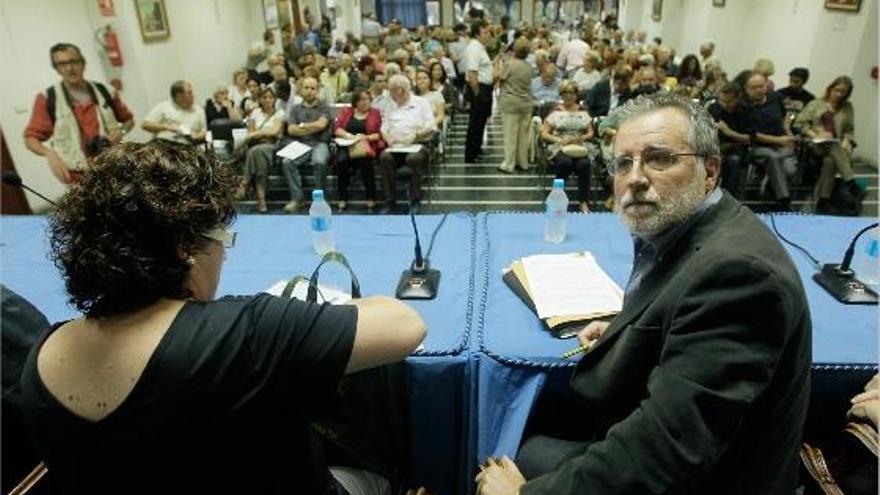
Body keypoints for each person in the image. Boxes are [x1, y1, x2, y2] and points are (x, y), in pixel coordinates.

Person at [17, 141, 426, 494]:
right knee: (379, 471)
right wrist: (297, 318)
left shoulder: (41, 359)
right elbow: (405, 325)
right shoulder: (246, 331)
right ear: (184, 248)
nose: (224, 254)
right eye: (220, 239)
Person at [476, 93, 811, 495]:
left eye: (659, 158)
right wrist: (625, 328)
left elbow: (669, 447)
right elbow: (677, 308)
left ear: (710, 171)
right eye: (623, 163)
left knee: (517, 450)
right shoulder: (688, 226)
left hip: (708, 480)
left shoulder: (739, 276)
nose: (634, 177)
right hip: (667, 437)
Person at [24, 43, 135, 184]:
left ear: (83, 63)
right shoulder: (47, 98)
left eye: (73, 62)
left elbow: (129, 120)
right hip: (78, 177)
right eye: (62, 64)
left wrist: (121, 131)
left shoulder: (105, 91)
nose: (69, 69)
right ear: (56, 69)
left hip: (114, 167)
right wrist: (49, 153)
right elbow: (30, 139)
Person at [795, 76, 862, 214]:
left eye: (843, 92)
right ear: (830, 88)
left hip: (835, 146)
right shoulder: (816, 104)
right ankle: (851, 181)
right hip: (815, 144)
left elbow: (849, 130)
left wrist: (846, 140)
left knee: (830, 161)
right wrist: (816, 135)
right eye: (837, 90)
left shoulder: (847, 108)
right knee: (832, 147)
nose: (838, 94)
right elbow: (799, 124)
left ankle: (823, 201)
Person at [378, 75, 436, 214]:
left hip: (418, 144)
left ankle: (415, 199)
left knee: (413, 159)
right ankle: (390, 200)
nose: (389, 94)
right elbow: (384, 126)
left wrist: (416, 135)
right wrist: (387, 136)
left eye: (391, 91)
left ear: (401, 90)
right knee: (384, 157)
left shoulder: (421, 103)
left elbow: (431, 126)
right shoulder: (390, 105)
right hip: (396, 146)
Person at [742, 72, 798, 211]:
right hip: (757, 146)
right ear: (747, 89)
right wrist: (781, 140)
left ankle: (769, 188)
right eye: (754, 87)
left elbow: (786, 116)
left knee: (790, 169)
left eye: (761, 86)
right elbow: (753, 135)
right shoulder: (744, 106)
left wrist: (787, 131)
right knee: (773, 157)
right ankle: (784, 200)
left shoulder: (775, 98)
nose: (758, 90)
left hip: (781, 143)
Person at [540, 81, 595, 213]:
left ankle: (583, 202)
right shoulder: (555, 112)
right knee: (565, 162)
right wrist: (559, 140)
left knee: (584, 164)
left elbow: (591, 132)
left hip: (579, 145)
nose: (569, 96)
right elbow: (544, 133)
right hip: (559, 145)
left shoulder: (583, 111)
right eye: (566, 93)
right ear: (561, 95)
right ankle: (557, 197)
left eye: (572, 93)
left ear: (576, 95)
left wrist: (581, 138)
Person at [280, 76, 332, 213]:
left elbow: (322, 125)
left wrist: (301, 126)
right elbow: (291, 129)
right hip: (300, 143)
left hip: (320, 142)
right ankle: (297, 199)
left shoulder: (324, 107)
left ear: (318, 90)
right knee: (287, 161)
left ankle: (319, 200)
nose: (309, 91)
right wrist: (311, 127)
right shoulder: (295, 109)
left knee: (320, 161)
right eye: (306, 88)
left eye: (313, 88)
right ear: (301, 89)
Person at [333, 89, 385, 213]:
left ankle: (371, 197)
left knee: (366, 161)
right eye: (361, 99)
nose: (364, 102)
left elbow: (379, 134)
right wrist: (348, 136)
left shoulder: (375, 113)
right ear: (355, 102)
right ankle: (342, 197)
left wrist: (365, 137)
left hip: (367, 145)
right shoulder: (347, 111)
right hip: (347, 145)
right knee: (341, 161)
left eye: (367, 99)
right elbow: (337, 129)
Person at [237, 88, 285, 213]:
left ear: (274, 99)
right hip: (256, 146)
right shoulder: (255, 113)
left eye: (270, 97)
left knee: (255, 152)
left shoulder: (279, 113)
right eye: (264, 97)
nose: (268, 100)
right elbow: (250, 132)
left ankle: (244, 183)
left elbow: (275, 132)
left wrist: (258, 133)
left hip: (273, 146)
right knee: (257, 156)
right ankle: (261, 199)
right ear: (260, 99)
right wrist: (260, 134)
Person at [498, 37, 535, 174]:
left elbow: (500, 78)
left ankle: (508, 164)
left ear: (514, 49)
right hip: (526, 104)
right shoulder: (528, 67)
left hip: (510, 103)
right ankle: (522, 162)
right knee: (523, 135)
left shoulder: (509, 64)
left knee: (510, 134)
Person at [707, 82, 751, 199]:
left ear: (738, 98)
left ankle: (729, 197)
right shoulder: (714, 109)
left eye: (729, 101)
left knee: (734, 161)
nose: (725, 105)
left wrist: (729, 132)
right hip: (717, 147)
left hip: (738, 148)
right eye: (722, 101)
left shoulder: (746, 111)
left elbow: (750, 139)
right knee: (713, 160)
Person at [464, 20, 495, 164]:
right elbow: (472, 74)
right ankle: (470, 154)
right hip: (478, 88)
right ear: (477, 34)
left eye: (489, 32)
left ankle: (477, 148)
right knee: (475, 122)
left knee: (481, 121)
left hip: (485, 88)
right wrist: (477, 94)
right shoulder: (474, 48)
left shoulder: (481, 47)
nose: (489, 35)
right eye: (485, 32)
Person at [142, 80, 207, 145]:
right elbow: (145, 125)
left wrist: (194, 136)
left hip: (186, 146)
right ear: (179, 95)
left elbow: (204, 132)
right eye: (189, 93)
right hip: (164, 144)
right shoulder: (163, 107)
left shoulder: (198, 110)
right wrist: (168, 127)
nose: (193, 95)